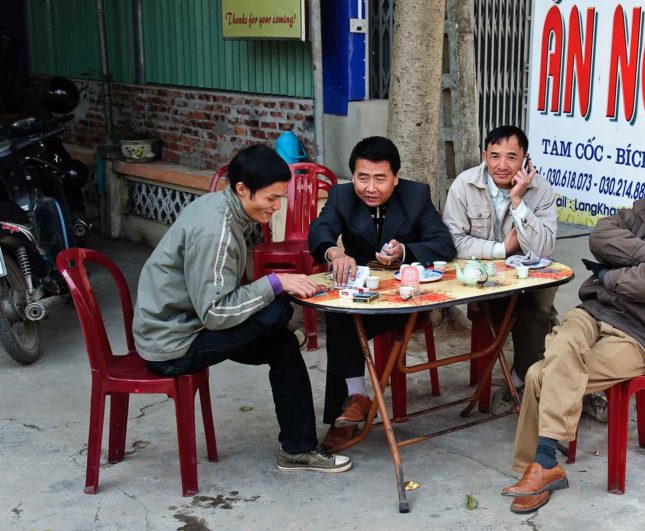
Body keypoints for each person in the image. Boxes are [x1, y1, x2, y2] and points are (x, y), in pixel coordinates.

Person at [501, 138, 645, 514]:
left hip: (643, 335)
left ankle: (538, 466)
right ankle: (543, 467)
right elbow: (600, 235)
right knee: (563, 343)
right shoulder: (643, 211)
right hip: (597, 312)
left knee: (542, 373)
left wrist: (609, 276)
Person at [132, 144, 351, 473]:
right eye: (271, 199)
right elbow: (215, 314)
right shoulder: (215, 232)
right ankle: (298, 447)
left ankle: (298, 449)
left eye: (280, 198)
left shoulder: (221, 207)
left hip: (185, 325)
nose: (276, 208)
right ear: (242, 189)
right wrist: (276, 283)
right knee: (276, 311)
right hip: (173, 344)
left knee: (282, 342)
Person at [308, 136, 457, 449]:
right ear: (354, 176)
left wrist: (405, 251)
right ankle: (355, 399)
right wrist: (335, 254)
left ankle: (349, 408)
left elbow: (444, 243)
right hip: (363, 293)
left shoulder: (416, 196)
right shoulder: (341, 196)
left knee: (345, 320)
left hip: (406, 299)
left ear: (396, 177)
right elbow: (319, 232)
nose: (370, 188)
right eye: (362, 178)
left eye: (380, 178)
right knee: (340, 313)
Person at [442, 125, 559, 405]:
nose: (502, 166)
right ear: (484, 155)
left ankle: (522, 377)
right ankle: (532, 374)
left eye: (511, 157)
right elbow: (452, 241)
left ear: (525, 159)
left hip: (526, 276)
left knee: (539, 302)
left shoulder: (540, 190)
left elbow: (543, 248)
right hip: (480, 277)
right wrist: (501, 249)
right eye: (494, 156)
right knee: (518, 310)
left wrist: (518, 201)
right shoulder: (464, 184)